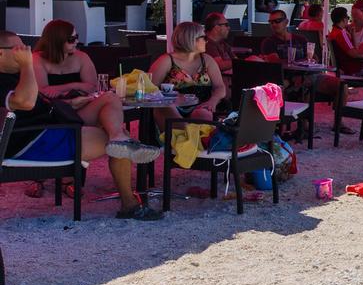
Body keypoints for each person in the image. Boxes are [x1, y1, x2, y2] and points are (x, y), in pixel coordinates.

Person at [1, 31, 159, 219]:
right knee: (118, 142)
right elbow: (25, 102)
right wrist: (27, 64)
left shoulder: (14, 75)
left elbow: (34, 105)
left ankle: (119, 137)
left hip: (51, 127)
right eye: (19, 48)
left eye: (25, 47)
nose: (26, 51)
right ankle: (130, 204)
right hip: (34, 141)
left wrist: (69, 104)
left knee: (110, 99)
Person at [32, 19, 159, 163]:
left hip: (80, 109)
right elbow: (42, 93)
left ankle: (118, 138)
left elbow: (92, 86)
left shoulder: (81, 57)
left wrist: (63, 88)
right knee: (121, 137)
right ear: (57, 40)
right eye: (71, 39)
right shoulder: (37, 59)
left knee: (110, 97)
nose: (76, 42)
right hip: (54, 114)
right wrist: (74, 93)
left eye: (77, 37)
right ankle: (121, 139)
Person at [149, 21, 226, 124]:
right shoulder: (166, 61)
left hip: (201, 106)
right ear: (191, 40)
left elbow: (220, 87)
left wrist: (213, 101)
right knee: (166, 107)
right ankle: (188, 134)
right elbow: (149, 88)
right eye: (204, 38)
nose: (207, 41)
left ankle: (191, 135)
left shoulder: (207, 60)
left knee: (203, 113)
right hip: (173, 108)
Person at [328, 6, 363, 77]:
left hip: (342, 67)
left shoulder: (333, 32)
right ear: (343, 19)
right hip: (350, 69)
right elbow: (354, 54)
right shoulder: (341, 33)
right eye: (348, 18)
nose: (348, 20)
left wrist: (352, 35)